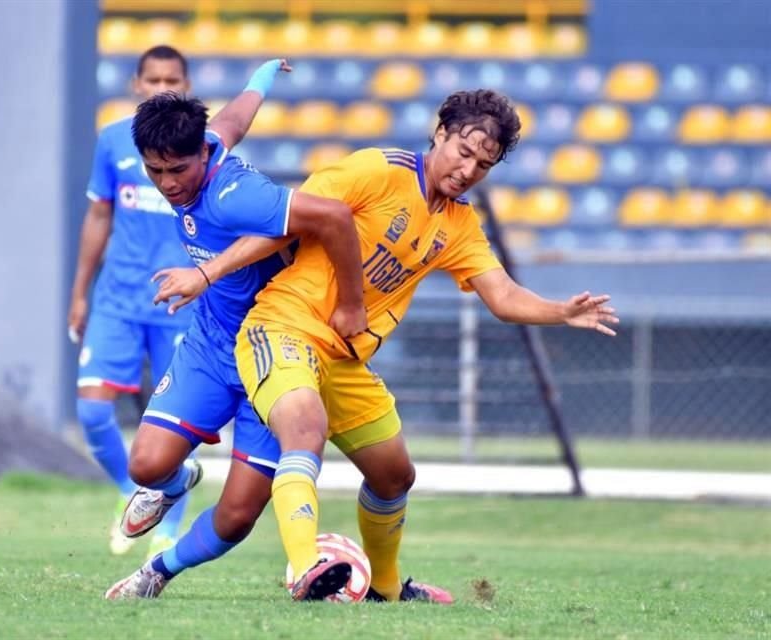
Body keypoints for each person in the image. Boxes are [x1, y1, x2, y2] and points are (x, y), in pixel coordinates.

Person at [231, 89, 619, 603]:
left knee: (395, 475)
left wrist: (560, 311)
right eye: (464, 152)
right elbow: (285, 219)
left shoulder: (459, 225)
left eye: (483, 163)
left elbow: (502, 296)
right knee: (305, 431)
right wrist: (209, 273)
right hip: (283, 326)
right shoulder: (377, 171)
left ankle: (387, 591)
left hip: (344, 357)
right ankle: (306, 567)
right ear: (440, 133)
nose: (469, 169)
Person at [103, 64, 367, 603]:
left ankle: (157, 572)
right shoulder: (204, 142)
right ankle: (177, 485)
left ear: (203, 155)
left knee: (239, 514)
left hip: (274, 351)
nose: (167, 183)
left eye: (176, 170)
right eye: (155, 171)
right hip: (211, 344)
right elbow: (235, 116)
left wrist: (351, 305)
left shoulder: (237, 195)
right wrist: (263, 76)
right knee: (147, 466)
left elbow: (336, 217)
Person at [68, 45, 196, 556]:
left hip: (179, 306)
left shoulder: (206, 146)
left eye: (173, 79)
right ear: (136, 85)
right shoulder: (112, 141)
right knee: (93, 413)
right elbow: (98, 217)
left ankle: (168, 525)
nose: (162, 87)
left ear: (186, 86)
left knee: (176, 427)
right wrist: (79, 292)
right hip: (117, 298)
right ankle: (133, 496)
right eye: (153, 79)